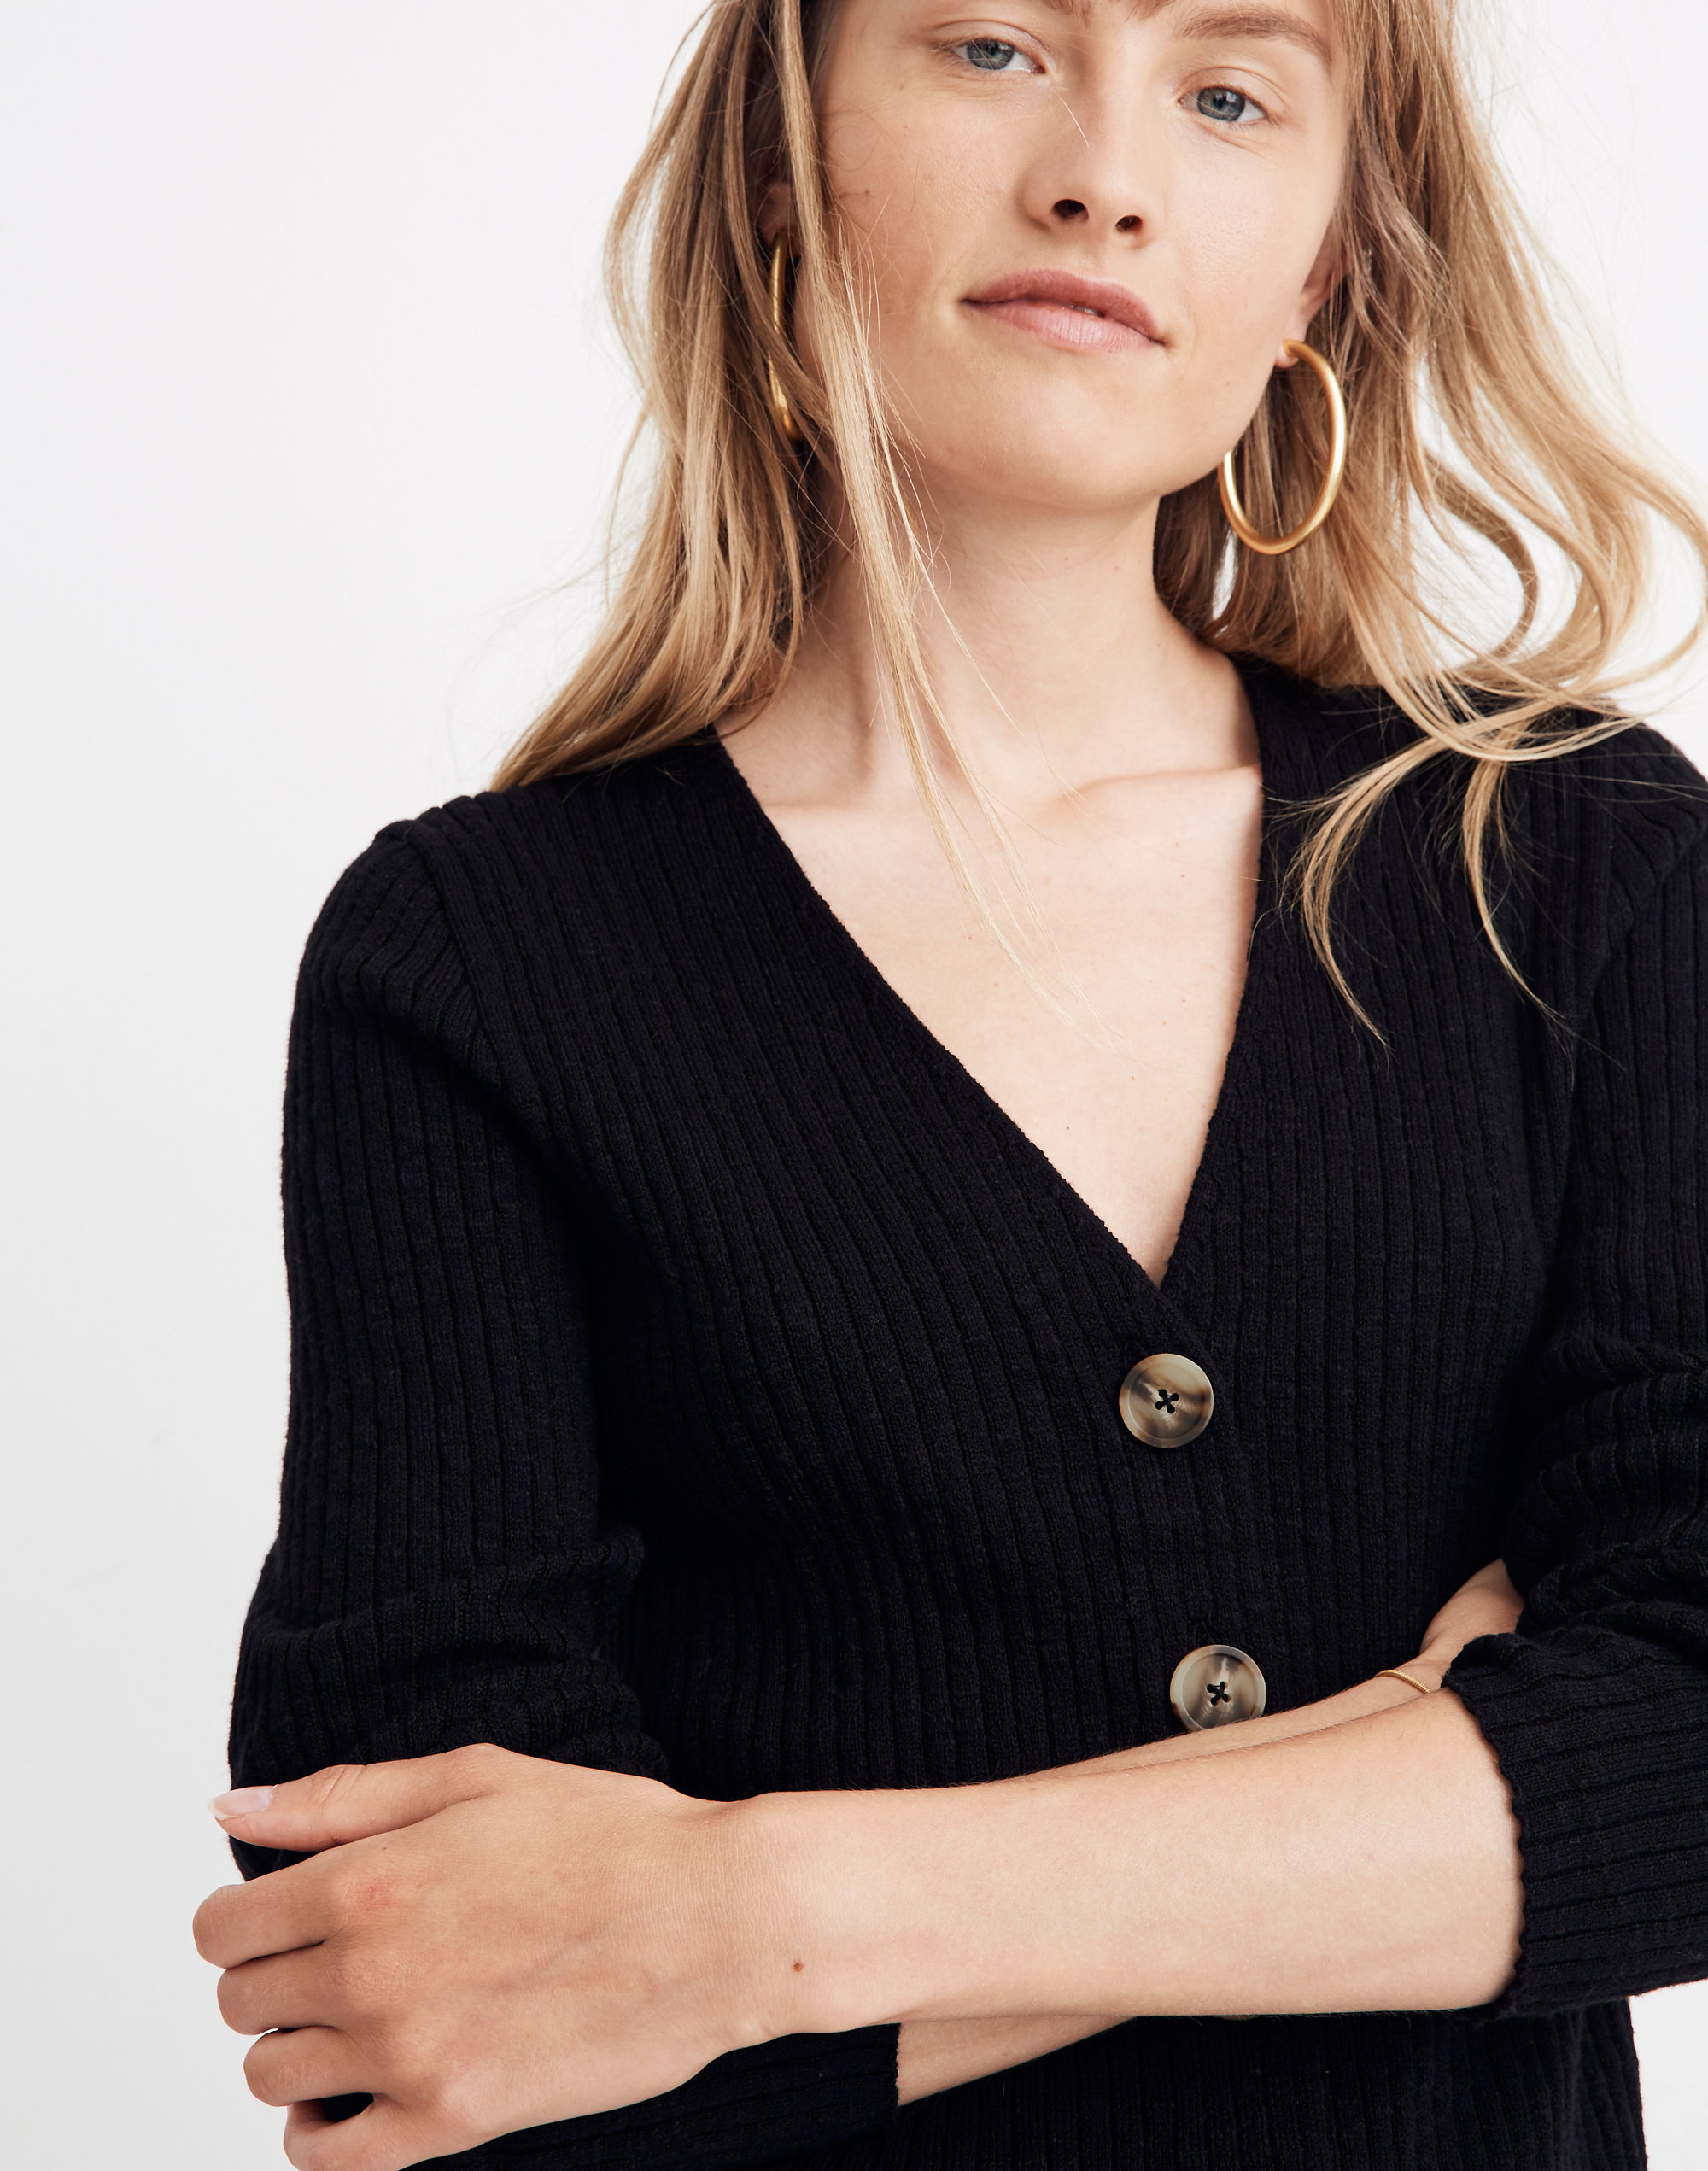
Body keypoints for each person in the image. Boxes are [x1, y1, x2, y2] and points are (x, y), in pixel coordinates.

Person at [193, 2, 1708, 2168]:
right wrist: (1415, 1752)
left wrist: (740, 1918)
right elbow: (415, 2003)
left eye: (1228, 94)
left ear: (1325, 265)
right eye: (992, 46)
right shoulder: (474, 963)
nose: (1103, 174)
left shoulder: (1569, 863)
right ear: (782, 154)